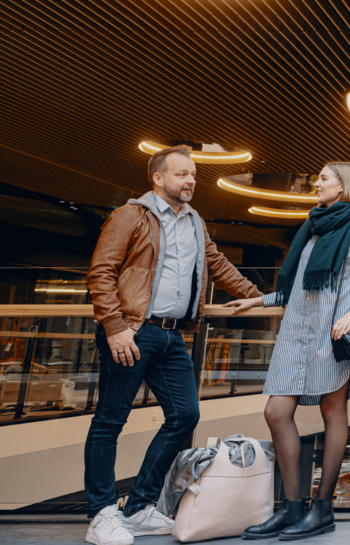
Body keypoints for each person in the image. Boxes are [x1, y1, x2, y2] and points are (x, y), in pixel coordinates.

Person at [84, 145, 264, 545]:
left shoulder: (195, 221)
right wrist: (115, 326)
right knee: (110, 422)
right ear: (158, 178)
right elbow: (101, 272)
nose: (191, 181)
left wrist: (260, 297)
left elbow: (216, 264)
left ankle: (138, 508)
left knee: (185, 415)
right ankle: (100, 514)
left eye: (193, 175)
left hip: (172, 335)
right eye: (182, 174)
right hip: (132, 331)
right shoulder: (130, 215)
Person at [226, 162, 350, 540]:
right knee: (276, 411)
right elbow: (296, 288)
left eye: (323, 178)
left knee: (333, 411)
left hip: (332, 333)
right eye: (317, 177)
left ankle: (322, 508)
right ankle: (290, 508)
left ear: (344, 185)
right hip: (295, 332)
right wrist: (256, 302)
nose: (315, 183)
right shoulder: (312, 226)